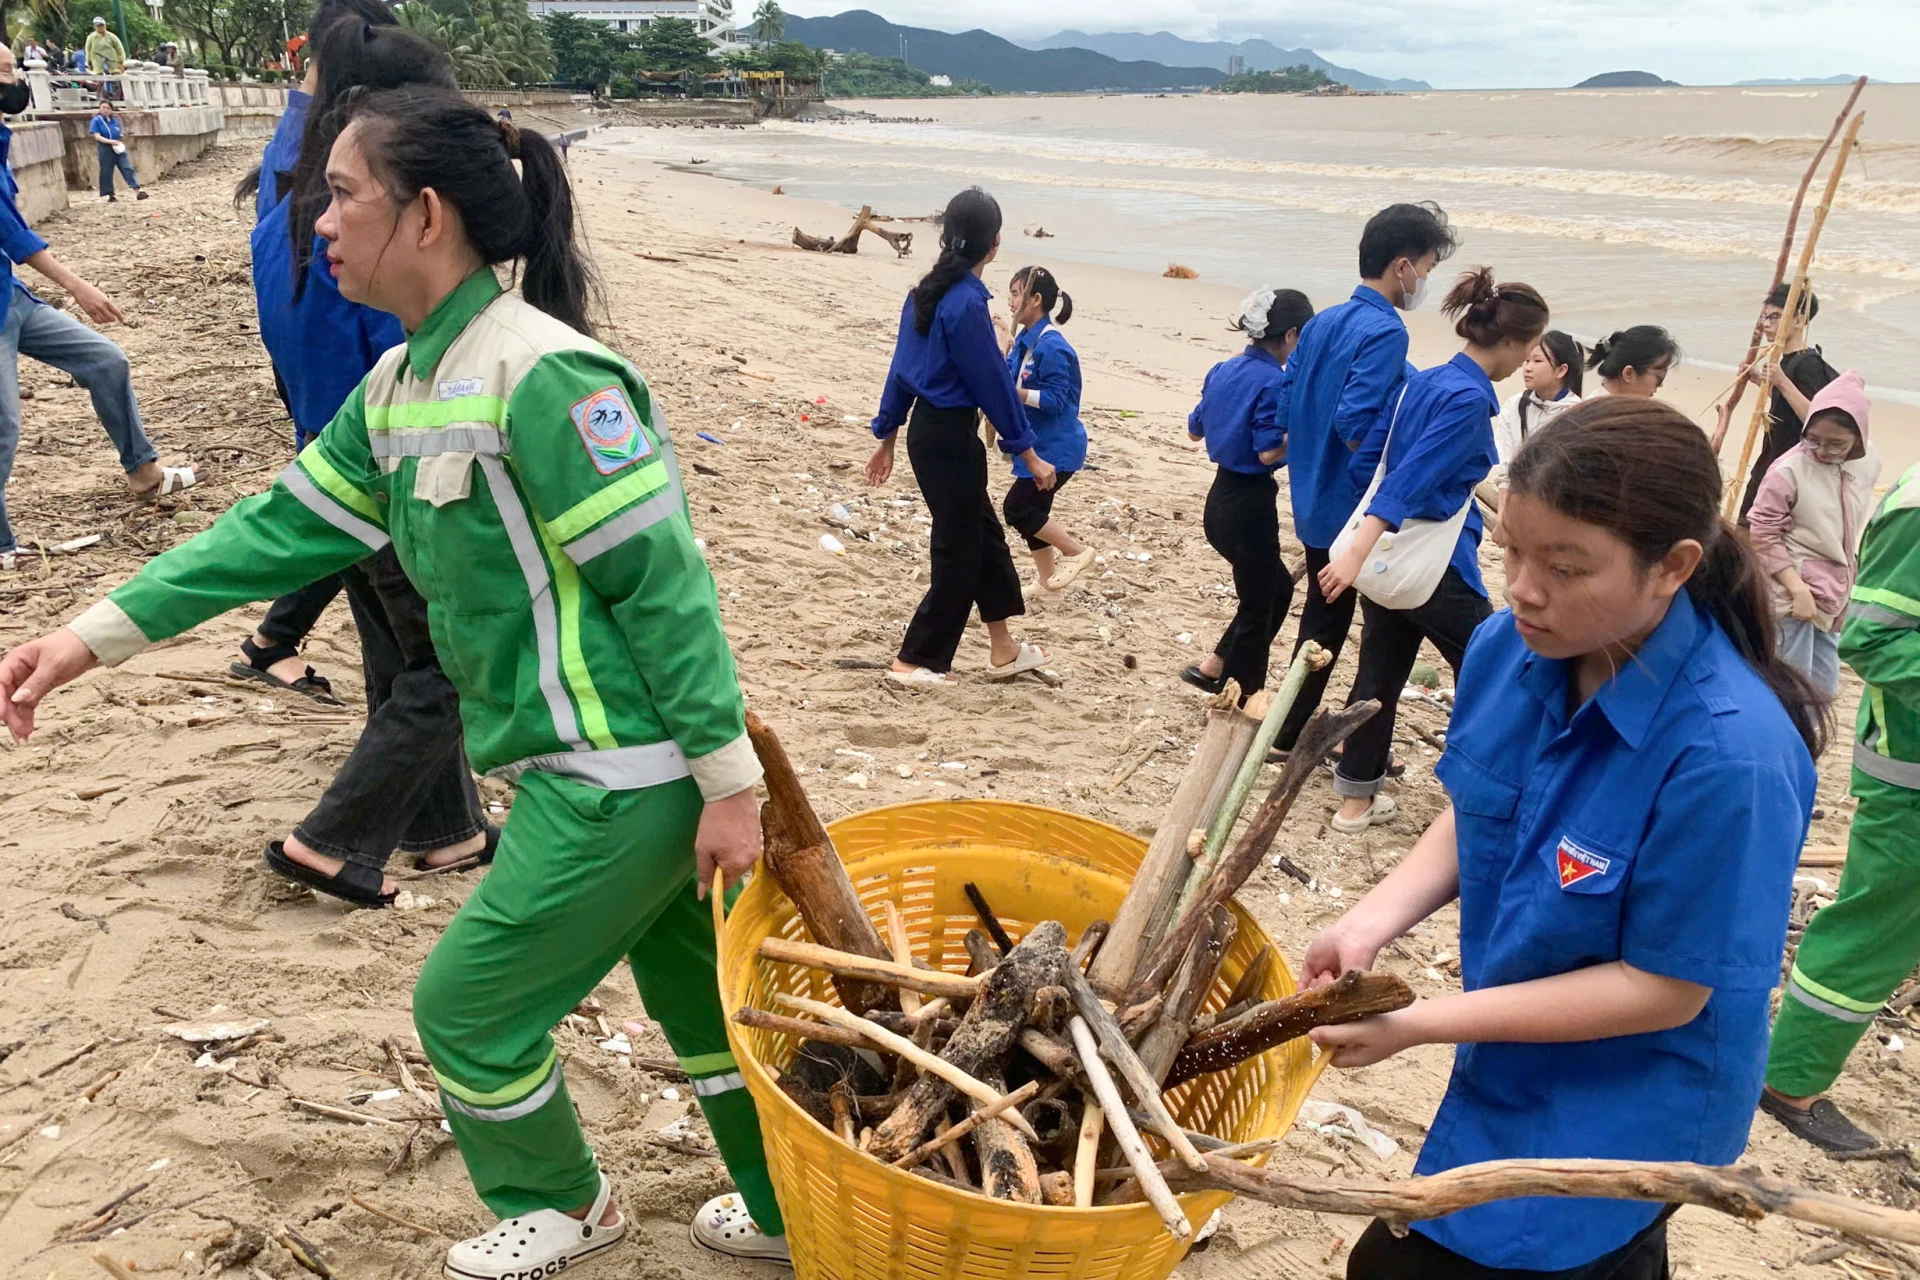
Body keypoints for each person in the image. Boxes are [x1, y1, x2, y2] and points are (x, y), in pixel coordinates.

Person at [0, 84, 788, 1274]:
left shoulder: (546, 376)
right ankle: (788, 1209)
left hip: (626, 773)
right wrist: (91, 634)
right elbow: (268, 532)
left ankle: (570, 1204)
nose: (318, 217)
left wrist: (731, 783)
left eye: (344, 192)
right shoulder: (401, 386)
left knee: (467, 1009)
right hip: (597, 766)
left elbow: (662, 586)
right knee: (701, 1003)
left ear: (425, 215)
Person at [1308, 396, 1823, 1278]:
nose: (1522, 589)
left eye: (1567, 567)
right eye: (1509, 549)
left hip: (1634, 1094)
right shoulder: (1509, 649)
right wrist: (1366, 924)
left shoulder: (1730, 754)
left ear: (1673, 568)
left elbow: (1665, 990)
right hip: (1513, 1038)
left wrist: (1421, 1024)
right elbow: (1483, 805)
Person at [236, 17, 491, 907]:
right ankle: (332, 842)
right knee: (452, 665)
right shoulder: (366, 243)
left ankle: (446, 832)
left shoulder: (284, 211)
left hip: (326, 457)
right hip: (394, 472)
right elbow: (417, 367)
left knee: (397, 648)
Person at [1319, 270, 1547, 833]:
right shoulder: (1470, 400)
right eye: (1532, 346)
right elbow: (1412, 477)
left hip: (1389, 557)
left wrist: (1358, 545)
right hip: (1431, 561)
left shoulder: (1426, 380)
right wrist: (1353, 551)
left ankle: (1355, 801)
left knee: (1380, 671)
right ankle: (1501, 796)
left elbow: (1375, 459)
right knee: (1499, 671)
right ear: (1516, 344)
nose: (1527, 361)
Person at [230, 0, 402, 708]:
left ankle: (270, 642)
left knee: (336, 532)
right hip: (368, 430)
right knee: (416, 661)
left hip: (320, 412)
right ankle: (402, 819)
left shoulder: (292, 169)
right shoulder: (358, 193)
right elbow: (400, 341)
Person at [1760, 451, 1920, 1154]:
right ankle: (1790, 1081)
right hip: (1911, 778)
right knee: (1872, 929)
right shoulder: (1917, 512)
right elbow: (1874, 637)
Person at [0, 43, 194, 572]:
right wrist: (79, 287)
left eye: (14, 70)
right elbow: (13, 233)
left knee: (105, 360)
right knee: (4, 425)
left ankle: (143, 470)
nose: (14, 82)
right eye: (4, 74)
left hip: (10, 297)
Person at [1272, 201, 1457, 755]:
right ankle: (1320, 744)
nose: (1424, 279)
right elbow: (1357, 419)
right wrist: (1389, 477)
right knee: (1359, 634)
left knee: (1323, 625)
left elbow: (1287, 403)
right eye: (1425, 267)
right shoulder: (1385, 331)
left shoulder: (1323, 320)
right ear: (1402, 266)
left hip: (1310, 495)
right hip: (1350, 509)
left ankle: (1294, 733)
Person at [865, 186, 1058, 685]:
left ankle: (1003, 649)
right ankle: (916, 659)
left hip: (929, 435)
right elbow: (992, 385)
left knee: (984, 537)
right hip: (948, 438)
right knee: (959, 547)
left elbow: (900, 370)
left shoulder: (926, 294)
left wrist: (887, 435)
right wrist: (1030, 454)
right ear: (994, 244)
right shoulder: (966, 305)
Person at [1182, 286, 1313, 700]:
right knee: (1260, 604)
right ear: (1291, 335)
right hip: (1250, 503)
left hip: (1218, 500)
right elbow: (1267, 450)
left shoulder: (1225, 368)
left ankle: (1215, 665)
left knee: (1274, 587)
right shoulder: (1274, 382)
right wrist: (1302, 437)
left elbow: (1193, 429)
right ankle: (1244, 693)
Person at [1747, 371, 1879, 701]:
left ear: (1858, 441)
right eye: (1813, 439)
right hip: (1793, 593)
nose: (1822, 450)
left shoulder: (1867, 463)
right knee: (1791, 691)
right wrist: (1796, 588)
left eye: (1837, 445)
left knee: (1823, 691)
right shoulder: (1788, 470)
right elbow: (1762, 533)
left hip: (1834, 591)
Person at [1001, 264, 1094, 597]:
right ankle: (1047, 584)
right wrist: (1002, 344)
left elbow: (1057, 400)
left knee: (1018, 509)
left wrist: (1019, 394)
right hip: (1038, 443)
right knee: (1034, 517)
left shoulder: (1051, 345)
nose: (1010, 302)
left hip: (1057, 446)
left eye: (1015, 294)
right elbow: (1005, 379)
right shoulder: (1026, 341)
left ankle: (1076, 551)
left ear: (1035, 298)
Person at [1734, 285, 1840, 524]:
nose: (1766, 324)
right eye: (1764, 317)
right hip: (1772, 460)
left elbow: (1816, 420)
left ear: (1799, 321)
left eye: (1775, 317)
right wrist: (1760, 381)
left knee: (1754, 530)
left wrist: (1782, 382)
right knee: (1747, 524)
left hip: (1788, 468)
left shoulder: (1808, 363)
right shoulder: (1789, 361)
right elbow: (1787, 407)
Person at [1485, 328, 1581, 500]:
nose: (1527, 368)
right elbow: (1504, 464)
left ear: (1561, 370)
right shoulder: (1515, 404)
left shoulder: (1577, 413)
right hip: (1515, 495)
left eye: (1537, 361)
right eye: (1527, 360)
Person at [1586, 325, 1679, 399]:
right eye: (1660, 376)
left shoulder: (1599, 407)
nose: (1660, 385)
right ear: (1628, 373)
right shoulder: (1604, 417)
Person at [88, 98, 146, 202]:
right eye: (103, 108)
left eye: (108, 108)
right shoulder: (96, 121)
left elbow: (117, 132)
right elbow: (97, 136)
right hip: (105, 148)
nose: (106, 110)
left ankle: (137, 190)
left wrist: (120, 136)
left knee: (126, 167)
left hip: (117, 146)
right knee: (106, 171)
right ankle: (110, 194)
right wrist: (110, 142)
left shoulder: (114, 120)